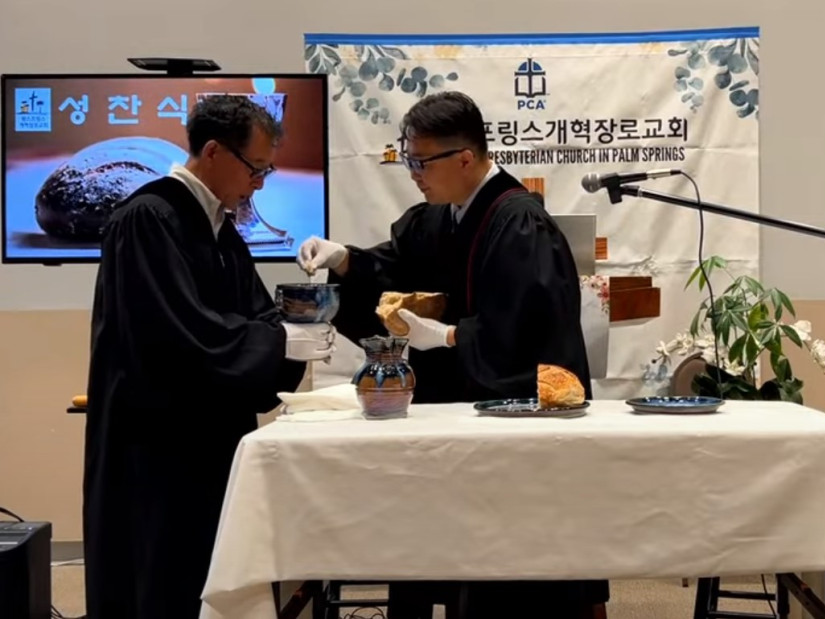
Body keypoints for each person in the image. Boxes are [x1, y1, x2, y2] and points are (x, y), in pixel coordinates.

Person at [297, 91, 607, 617]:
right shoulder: (445, 216)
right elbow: (399, 267)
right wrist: (345, 260)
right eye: (408, 160)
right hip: (454, 414)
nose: (413, 174)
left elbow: (527, 327)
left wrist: (448, 338)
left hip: (513, 428)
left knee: (508, 580)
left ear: (464, 158)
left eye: (422, 162)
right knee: (437, 553)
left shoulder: (518, 221)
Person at [83, 95, 336, 619]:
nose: (259, 184)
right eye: (255, 169)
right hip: (158, 441)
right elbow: (175, 331)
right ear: (215, 151)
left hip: (212, 433)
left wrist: (297, 325)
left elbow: (255, 313)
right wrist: (280, 342)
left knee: (216, 567)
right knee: (162, 576)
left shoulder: (219, 224)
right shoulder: (149, 217)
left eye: (267, 171)